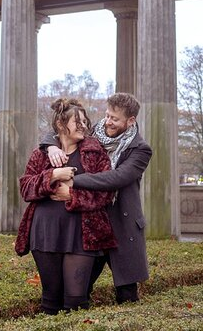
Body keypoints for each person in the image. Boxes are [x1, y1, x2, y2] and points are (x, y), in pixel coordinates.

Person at [44, 92, 153, 304]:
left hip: (122, 223)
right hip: (92, 219)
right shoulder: (93, 132)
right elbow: (60, 130)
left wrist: (74, 181)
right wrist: (51, 146)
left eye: (115, 119)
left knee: (127, 294)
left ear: (131, 121)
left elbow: (117, 177)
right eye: (107, 115)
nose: (108, 122)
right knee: (78, 291)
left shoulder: (140, 149)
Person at [15, 98, 117, 315]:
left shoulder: (95, 153)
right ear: (61, 125)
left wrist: (72, 195)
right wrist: (52, 175)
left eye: (85, 121)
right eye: (76, 121)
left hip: (82, 234)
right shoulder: (41, 154)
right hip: (45, 233)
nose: (83, 126)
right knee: (50, 301)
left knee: (76, 301)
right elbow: (25, 188)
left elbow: (107, 192)